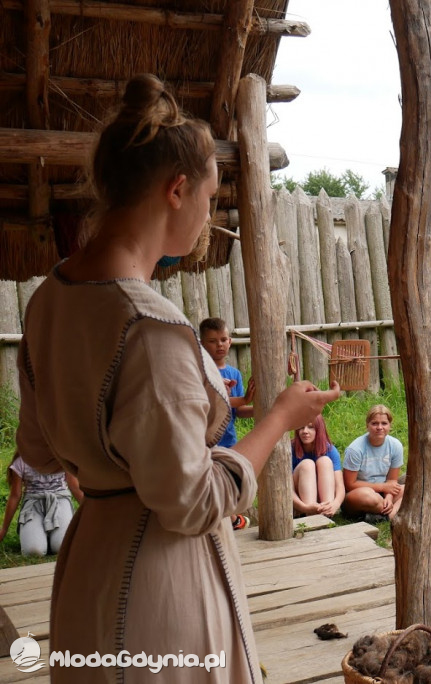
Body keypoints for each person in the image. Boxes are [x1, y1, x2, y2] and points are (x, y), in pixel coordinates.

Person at [14, 73, 339, 683]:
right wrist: (278, 419)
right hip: (160, 590)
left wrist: (107, 469)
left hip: (89, 571)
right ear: (177, 189)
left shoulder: (48, 301)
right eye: (210, 200)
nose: (209, 216)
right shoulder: (150, 330)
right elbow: (189, 504)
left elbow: (38, 451)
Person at [199, 317, 256, 530]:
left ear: (230, 341)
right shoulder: (201, 371)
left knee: (231, 481)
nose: (219, 345)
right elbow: (212, 401)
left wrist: (261, 411)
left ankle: (230, 519)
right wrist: (243, 400)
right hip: (206, 439)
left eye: (223, 339)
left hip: (228, 439)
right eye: (213, 341)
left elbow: (238, 410)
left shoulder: (234, 374)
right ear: (202, 344)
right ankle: (233, 520)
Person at [1, 454, 83, 556]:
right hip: (33, 504)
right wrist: (4, 529)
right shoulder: (21, 462)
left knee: (62, 547)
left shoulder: (63, 457)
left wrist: (91, 512)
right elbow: (15, 496)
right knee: (33, 551)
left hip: (59, 500)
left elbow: (75, 487)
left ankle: (51, 535)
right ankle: (41, 534)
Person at [342, 405, 404, 521]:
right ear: (367, 426)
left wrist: (389, 498)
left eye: (384, 423)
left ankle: (388, 515)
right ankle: (391, 512)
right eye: (374, 423)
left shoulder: (396, 446)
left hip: (384, 492)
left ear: (390, 425)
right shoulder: (355, 449)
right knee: (368, 496)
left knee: (408, 490)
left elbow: (392, 481)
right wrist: (383, 487)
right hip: (359, 493)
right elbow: (349, 484)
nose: (379, 427)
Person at [291, 415, 344, 517]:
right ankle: (310, 515)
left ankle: (326, 511)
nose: (305, 431)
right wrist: (304, 507)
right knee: (307, 464)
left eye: (311, 427)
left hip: (322, 498)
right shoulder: (290, 450)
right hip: (300, 502)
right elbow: (288, 489)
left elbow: (339, 486)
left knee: (325, 461)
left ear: (319, 430)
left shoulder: (330, 450)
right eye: (301, 427)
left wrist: (335, 504)